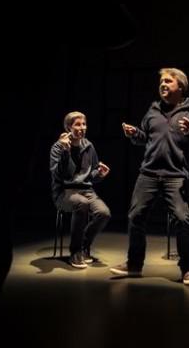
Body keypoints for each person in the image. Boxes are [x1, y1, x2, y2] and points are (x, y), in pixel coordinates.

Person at [110, 68, 189, 285]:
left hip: (175, 176)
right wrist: (134, 134)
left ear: (180, 86)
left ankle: (188, 269)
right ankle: (134, 265)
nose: (163, 84)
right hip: (148, 174)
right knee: (135, 217)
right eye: (161, 81)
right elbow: (145, 138)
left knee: (183, 220)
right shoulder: (153, 109)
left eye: (168, 81)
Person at [50, 111, 112, 269]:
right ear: (68, 127)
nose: (82, 128)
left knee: (104, 213)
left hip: (87, 191)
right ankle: (75, 252)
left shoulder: (89, 146)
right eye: (77, 124)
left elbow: (90, 176)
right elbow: (61, 175)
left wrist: (99, 174)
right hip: (64, 192)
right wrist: (65, 151)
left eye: (84, 124)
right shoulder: (58, 147)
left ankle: (84, 246)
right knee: (82, 203)